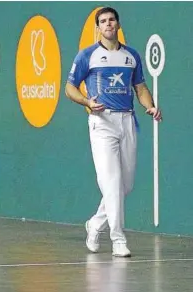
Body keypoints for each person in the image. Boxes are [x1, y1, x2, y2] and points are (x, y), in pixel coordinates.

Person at [65, 7, 162, 257]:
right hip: (102, 123)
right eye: (103, 21)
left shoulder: (132, 56)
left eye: (111, 20)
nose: (108, 24)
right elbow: (69, 88)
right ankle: (118, 238)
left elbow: (140, 88)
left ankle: (95, 223)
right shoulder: (87, 56)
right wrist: (87, 102)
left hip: (127, 121)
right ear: (98, 28)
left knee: (124, 186)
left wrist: (150, 106)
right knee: (112, 182)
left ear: (118, 24)